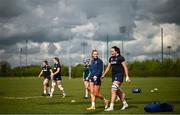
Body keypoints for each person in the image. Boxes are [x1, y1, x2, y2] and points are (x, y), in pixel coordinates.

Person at [101, 46, 131, 111]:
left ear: (116, 51)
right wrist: (103, 75)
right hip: (114, 76)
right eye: (111, 51)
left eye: (112, 51)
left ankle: (111, 106)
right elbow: (108, 67)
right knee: (117, 91)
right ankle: (125, 103)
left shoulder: (120, 58)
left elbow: (125, 67)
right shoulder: (111, 58)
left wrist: (127, 76)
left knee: (113, 89)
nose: (111, 52)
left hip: (120, 75)